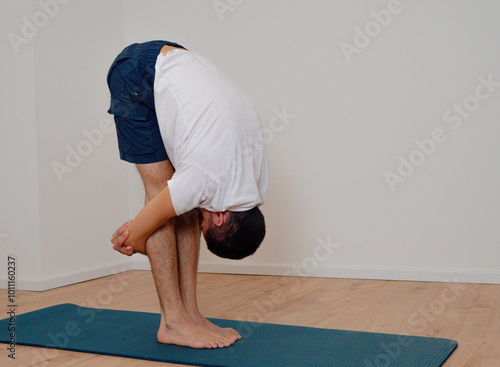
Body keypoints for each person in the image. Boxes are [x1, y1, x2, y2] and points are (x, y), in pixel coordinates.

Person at [106, 40, 269, 349]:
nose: (200, 226)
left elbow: (152, 226)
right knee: (161, 190)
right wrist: (133, 240)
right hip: (138, 73)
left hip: (176, 63)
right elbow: (138, 234)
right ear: (221, 217)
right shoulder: (205, 178)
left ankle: (190, 314)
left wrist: (143, 238)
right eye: (204, 226)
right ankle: (173, 322)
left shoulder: (256, 184)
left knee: (183, 204)